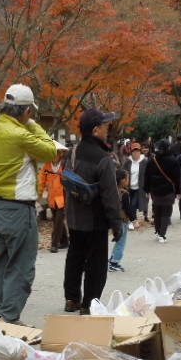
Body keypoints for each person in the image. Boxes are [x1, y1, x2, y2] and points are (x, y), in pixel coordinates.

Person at [0, 83, 60, 323]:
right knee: (23, 266)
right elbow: (50, 151)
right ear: (26, 111)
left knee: (4, 263)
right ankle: (10, 318)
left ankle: (4, 310)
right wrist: (33, 125)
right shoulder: (22, 135)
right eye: (30, 112)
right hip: (19, 208)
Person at [63, 107, 122, 313]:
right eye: (105, 125)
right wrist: (116, 224)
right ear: (96, 130)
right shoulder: (103, 157)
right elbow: (110, 195)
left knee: (75, 257)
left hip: (73, 218)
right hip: (95, 220)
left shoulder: (72, 152)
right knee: (96, 265)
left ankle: (71, 298)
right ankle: (89, 303)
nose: (108, 129)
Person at [145, 139, 179, 242]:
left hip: (155, 191)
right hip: (168, 191)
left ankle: (158, 231)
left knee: (157, 212)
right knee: (166, 213)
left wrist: (147, 189)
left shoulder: (152, 160)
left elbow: (146, 176)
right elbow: (177, 177)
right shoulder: (173, 160)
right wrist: (178, 191)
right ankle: (162, 234)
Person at [39, 157, 68, 253]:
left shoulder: (65, 165)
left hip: (63, 197)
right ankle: (65, 241)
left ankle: (54, 244)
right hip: (52, 198)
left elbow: (70, 179)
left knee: (58, 221)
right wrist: (39, 195)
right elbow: (41, 182)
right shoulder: (47, 166)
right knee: (56, 219)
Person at [109, 167, 133, 272]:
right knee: (121, 242)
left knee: (118, 241)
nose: (128, 181)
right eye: (127, 178)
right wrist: (134, 220)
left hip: (114, 220)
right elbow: (128, 209)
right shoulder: (125, 194)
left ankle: (112, 260)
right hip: (123, 221)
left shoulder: (112, 191)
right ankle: (114, 262)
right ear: (122, 180)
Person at [121, 142, 148, 227]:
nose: (135, 153)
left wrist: (148, 189)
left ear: (140, 151)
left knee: (133, 204)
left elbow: (148, 175)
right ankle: (133, 219)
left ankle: (133, 221)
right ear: (131, 152)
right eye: (134, 151)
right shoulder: (128, 162)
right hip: (129, 187)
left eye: (137, 151)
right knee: (129, 205)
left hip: (139, 188)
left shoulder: (145, 161)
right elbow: (122, 173)